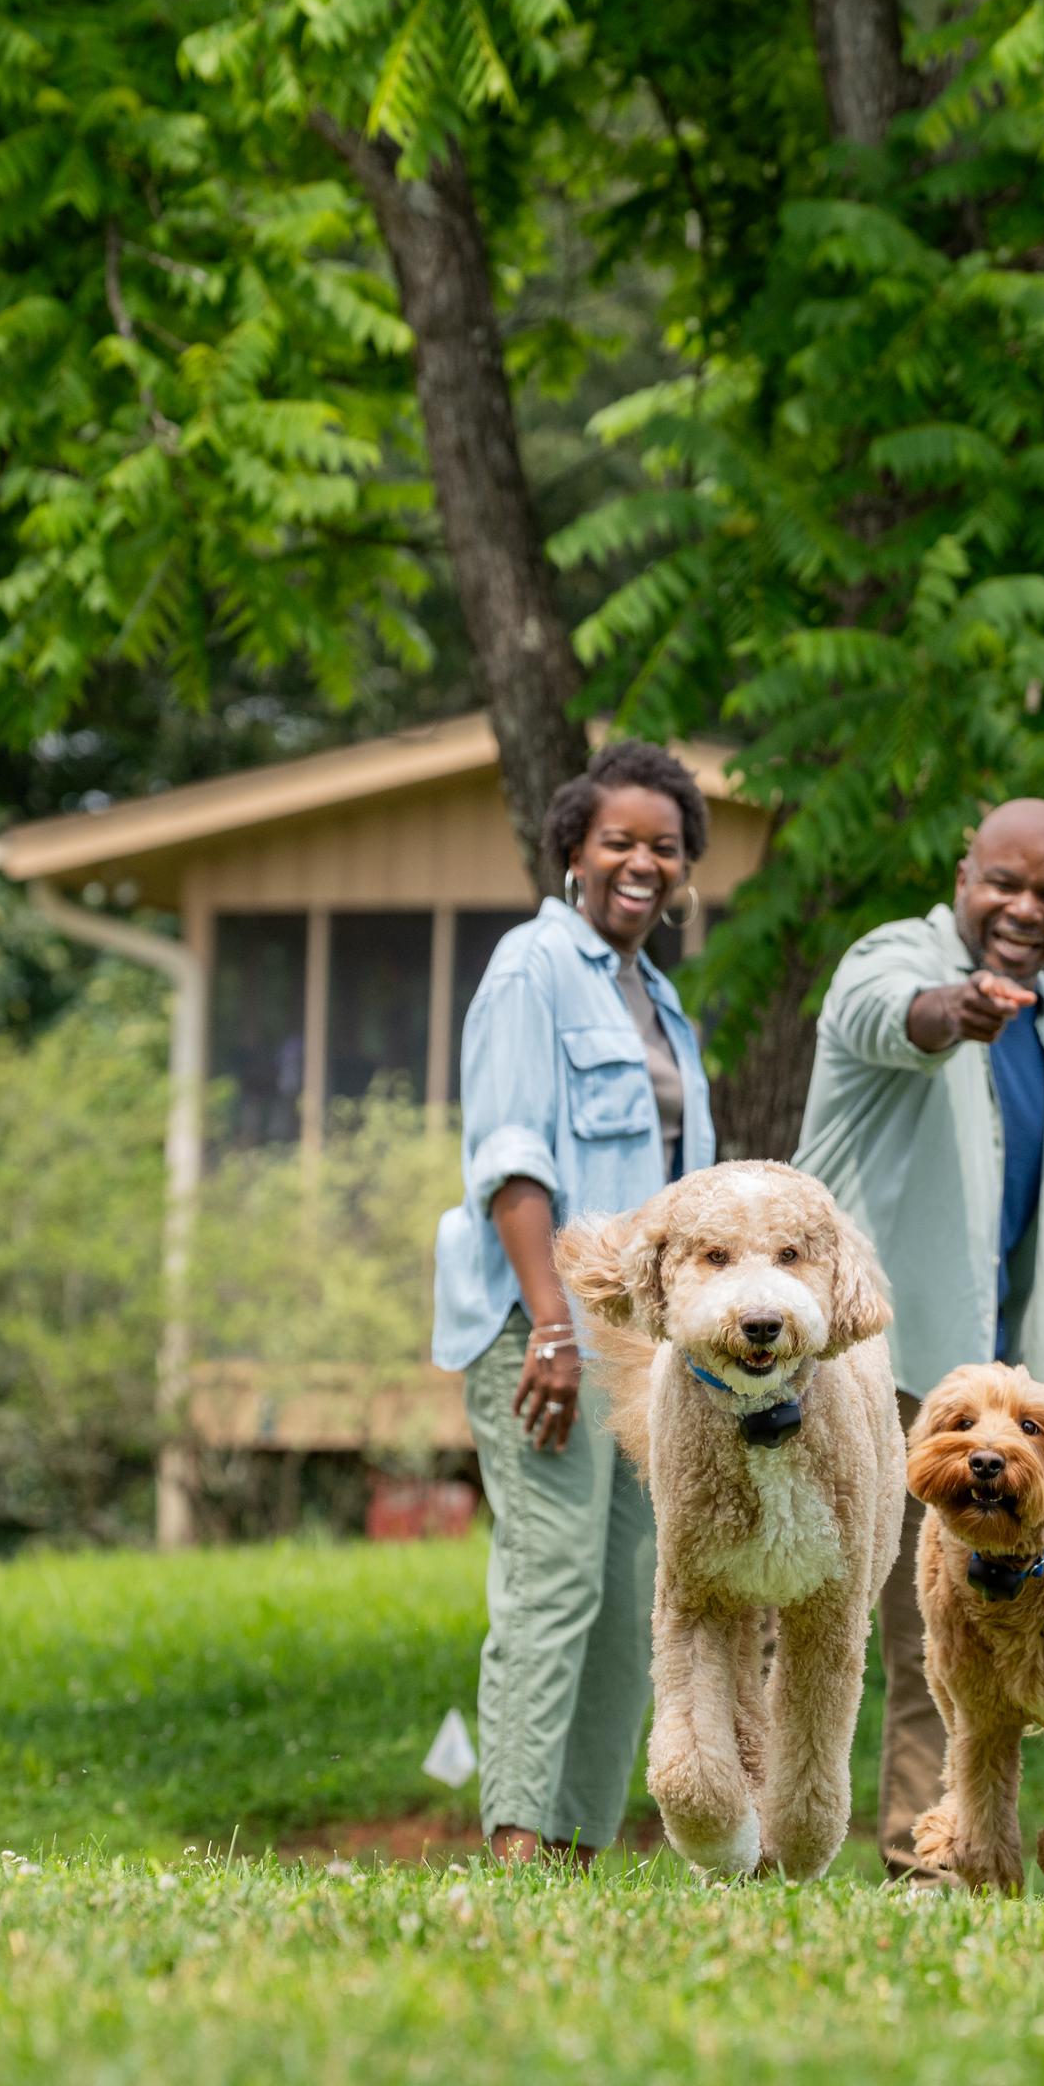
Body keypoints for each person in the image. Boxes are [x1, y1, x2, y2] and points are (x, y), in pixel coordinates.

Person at [793, 799, 1044, 1879]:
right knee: (900, 1635)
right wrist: (954, 1009)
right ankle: (910, 1862)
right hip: (876, 1371)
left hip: (998, 1398)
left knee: (973, 1632)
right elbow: (895, 1018)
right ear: (963, 874)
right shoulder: (893, 960)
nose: (1023, 909)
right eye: (1003, 883)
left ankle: (947, 1861)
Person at [430, 741, 719, 1865]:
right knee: (551, 1579)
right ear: (572, 854)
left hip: (647, 1349)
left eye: (665, 846)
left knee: (630, 1592)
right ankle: (512, 1843)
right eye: (619, 843)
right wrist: (552, 1321)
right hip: (544, 1327)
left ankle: (576, 1848)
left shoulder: (659, 1000)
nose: (642, 863)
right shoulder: (531, 968)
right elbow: (511, 1161)